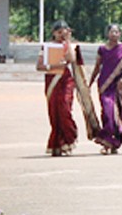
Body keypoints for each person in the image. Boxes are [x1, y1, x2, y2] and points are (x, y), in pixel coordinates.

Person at [36, 20, 99, 156]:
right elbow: (39, 66)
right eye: (58, 33)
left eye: (63, 32)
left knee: (64, 108)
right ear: (53, 33)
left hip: (66, 80)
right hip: (52, 80)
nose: (60, 35)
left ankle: (69, 138)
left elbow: (71, 59)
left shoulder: (72, 46)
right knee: (54, 113)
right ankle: (57, 144)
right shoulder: (46, 47)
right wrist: (53, 66)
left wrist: (67, 42)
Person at [89, 24, 122, 155]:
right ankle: (108, 141)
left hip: (117, 86)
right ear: (107, 33)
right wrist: (90, 83)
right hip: (104, 84)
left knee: (117, 113)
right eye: (112, 31)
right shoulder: (102, 49)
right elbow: (97, 67)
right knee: (107, 112)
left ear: (120, 34)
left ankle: (114, 142)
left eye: (117, 32)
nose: (114, 34)